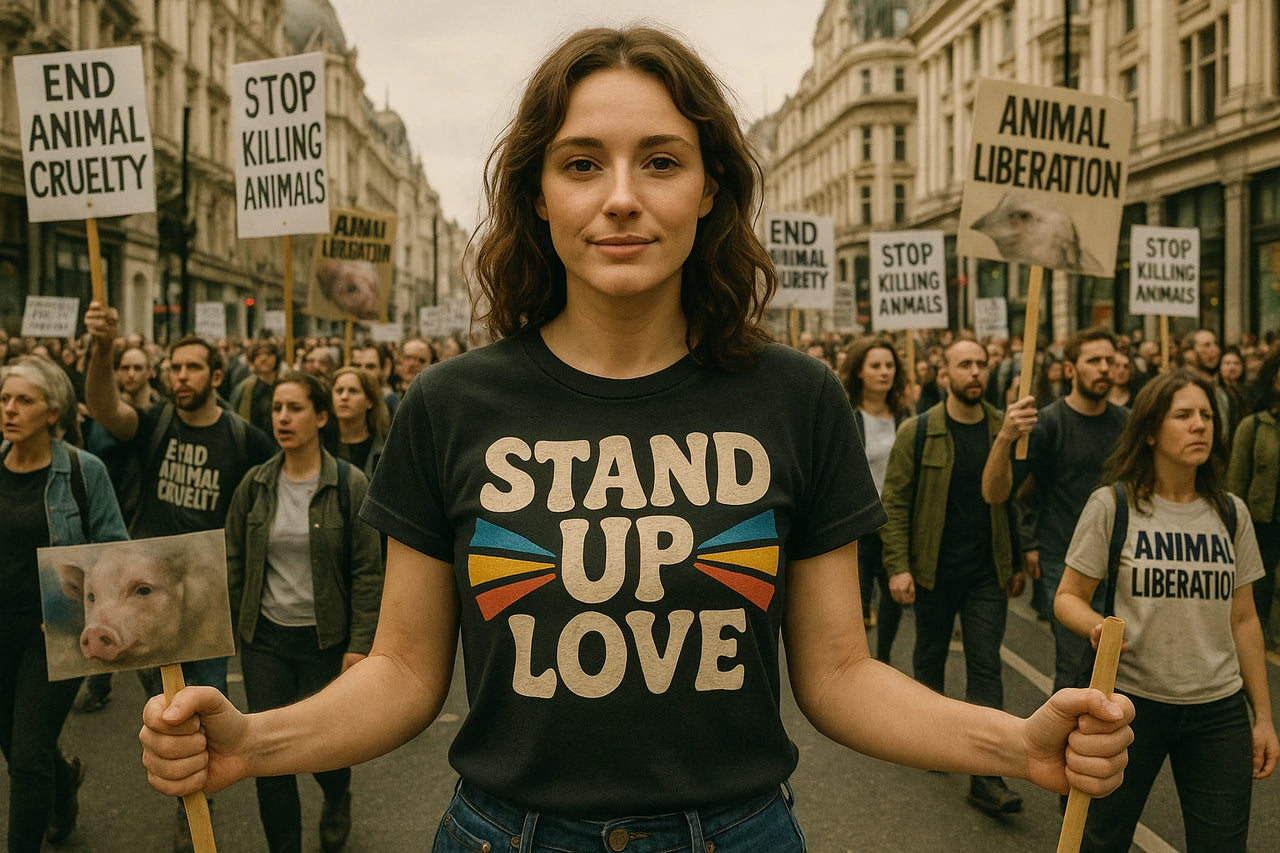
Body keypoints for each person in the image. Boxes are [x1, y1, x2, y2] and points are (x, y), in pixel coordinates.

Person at [140, 26, 1133, 852]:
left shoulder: (795, 398)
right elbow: (402, 671)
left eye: (659, 160)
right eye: (582, 164)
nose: (620, 195)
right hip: (502, 832)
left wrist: (1015, 741)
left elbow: (836, 672)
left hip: (734, 833)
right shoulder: (447, 404)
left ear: (708, 190)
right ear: (538, 194)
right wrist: (254, 741)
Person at [1056, 369, 1278, 852]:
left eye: (1205, 415)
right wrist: (1098, 625)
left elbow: (1244, 619)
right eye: (1184, 415)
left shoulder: (1231, 513)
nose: (1200, 425)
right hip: (1130, 706)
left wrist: (1262, 716)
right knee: (1101, 841)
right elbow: (1068, 596)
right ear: (1151, 430)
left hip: (1218, 712)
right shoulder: (1113, 505)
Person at [82, 313, 275, 852]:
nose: (181, 376)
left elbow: (269, 498)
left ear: (216, 377)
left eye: (194, 368)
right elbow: (104, 408)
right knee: (164, 707)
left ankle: (196, 809)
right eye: (176, 368)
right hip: (145, 598)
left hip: (205, 599)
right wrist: (102, 349)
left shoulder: (245, 439)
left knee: (197, 705)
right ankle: (188, 796)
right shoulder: (155, 424)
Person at [225, 372, 383, 853]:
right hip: (266, 641)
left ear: (319, 417)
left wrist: (359, 646)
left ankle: (338, 795)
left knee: (323, 751)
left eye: (294, 409)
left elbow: (367, 571)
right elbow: (232, 558)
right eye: (276, 408)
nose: (282, 418)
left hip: (324, 640)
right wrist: (227, 625)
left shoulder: (349, 484)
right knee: (267, 758)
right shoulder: (255, 485)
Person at [881, 337, 1028, 816]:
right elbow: (895, 502)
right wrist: (898, 566)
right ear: (944, 374)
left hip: (986, 572)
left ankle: (986, 777)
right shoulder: (918, 431)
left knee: (986, 667)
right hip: (933, 569)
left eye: (981, 364)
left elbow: (1009, 500)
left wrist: (1020, 556)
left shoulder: (1001, 429)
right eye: (964, 364)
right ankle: (931, 740)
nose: (975, 372)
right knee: (930, 657)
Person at [1, 356, 128, 851]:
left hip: (54, 635)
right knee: (18, 752)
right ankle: (64, 786)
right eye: (5, 398)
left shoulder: (81, 469)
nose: (10, 409)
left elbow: (113, 550)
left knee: (28, 757)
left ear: (52, 412)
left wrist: (66, 609)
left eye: (24, 401)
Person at [983, 327, 1129, 692]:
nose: (1104, 368)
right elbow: (1001, 492)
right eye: (1093, 361)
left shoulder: (1128, 424)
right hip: (1065, 561)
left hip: (1122, 562)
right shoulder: (1048, 422)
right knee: (1075, 665)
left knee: (1121, 670)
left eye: (1109, 361)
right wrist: (1005, 437)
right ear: (1070, 370)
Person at [837, 335, 909, 661]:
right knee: (858, 599)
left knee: (894, 599)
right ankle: (860, 661)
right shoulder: (847, 416)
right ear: (860, 372)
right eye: (876, 365)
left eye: (890, 365)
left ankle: (884, 660)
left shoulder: (907, 417)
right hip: (861, 526)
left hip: (896, 524)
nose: (884, 372)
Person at [1226, 349, 1280, 651]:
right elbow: (1236, 481)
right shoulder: (1253, 426)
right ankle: (1258, 634)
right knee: (1260, 583)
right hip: (1261, 519)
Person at [331, 366, 389, 479]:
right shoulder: (321, 443)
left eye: (353, 391)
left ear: (369, 401)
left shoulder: (384, 448)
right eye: (339, 391)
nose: (344, 397)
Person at [228, 341, 283, 443]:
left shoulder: (284, 386)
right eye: (258, 355)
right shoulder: (245, 388)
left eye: (268, 354)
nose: (263, 358)